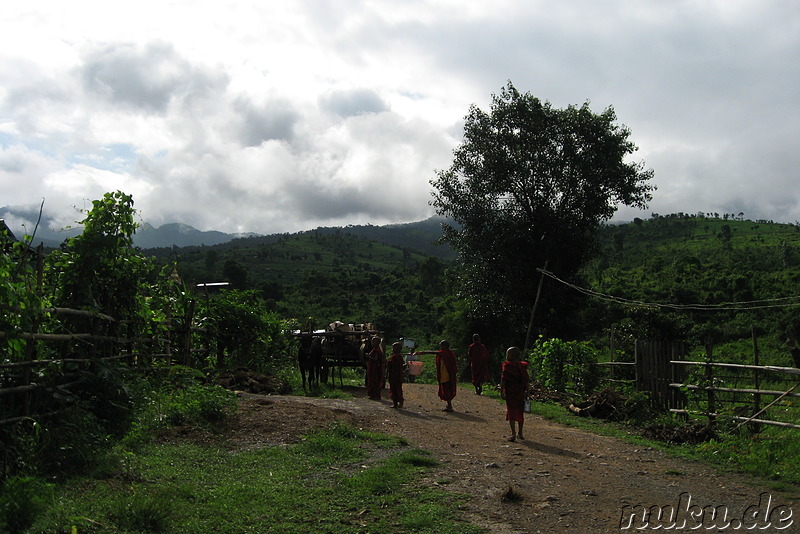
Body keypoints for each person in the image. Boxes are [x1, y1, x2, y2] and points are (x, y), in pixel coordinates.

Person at [415, 340, 458, 412]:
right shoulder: (450, 353)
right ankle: (449, 405)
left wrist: (422, 352)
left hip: (445, 374)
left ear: (444, 346)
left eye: (441, 345)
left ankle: (450, 406)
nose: (440, 347)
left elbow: (433, 352)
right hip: (448, 374)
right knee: (447, 389)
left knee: (446, 389)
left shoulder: (445, 353)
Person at [501, 346, 529, 442]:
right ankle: (519, 433)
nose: (506, 356)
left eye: (507, 354)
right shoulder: (522, 366)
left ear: (512, 355)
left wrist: (502, 391)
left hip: (512, 392)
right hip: (518, 392)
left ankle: (514, 433)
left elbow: (503, 380)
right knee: (518, 412)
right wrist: (527, 391)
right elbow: (526, 380)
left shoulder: (508, 366)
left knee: (512, 412)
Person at [386, 341, 405, 408]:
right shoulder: (398, 357)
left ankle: (398, 402)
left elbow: (391, 366)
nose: (393, 349)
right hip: (396, 376)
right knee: (395, 389)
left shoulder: (396, 357)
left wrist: (387, 373)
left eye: (394, 348)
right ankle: (396, 403)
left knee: (396, 389)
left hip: (395, 376)